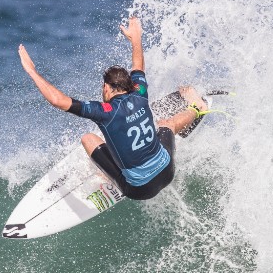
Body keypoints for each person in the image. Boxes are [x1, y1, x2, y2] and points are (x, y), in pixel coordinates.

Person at [18, 17, 206, 200]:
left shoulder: (104, 112)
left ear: (106, 88)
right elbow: (138, 65)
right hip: (167, 172)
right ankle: (198, 108)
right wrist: (136, 38)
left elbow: (58, 100)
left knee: (88, 139)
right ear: (129, 85)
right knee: (167, 124)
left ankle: (110, 175)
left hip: (138, 190)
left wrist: (32, 71)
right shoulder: (140, 92)